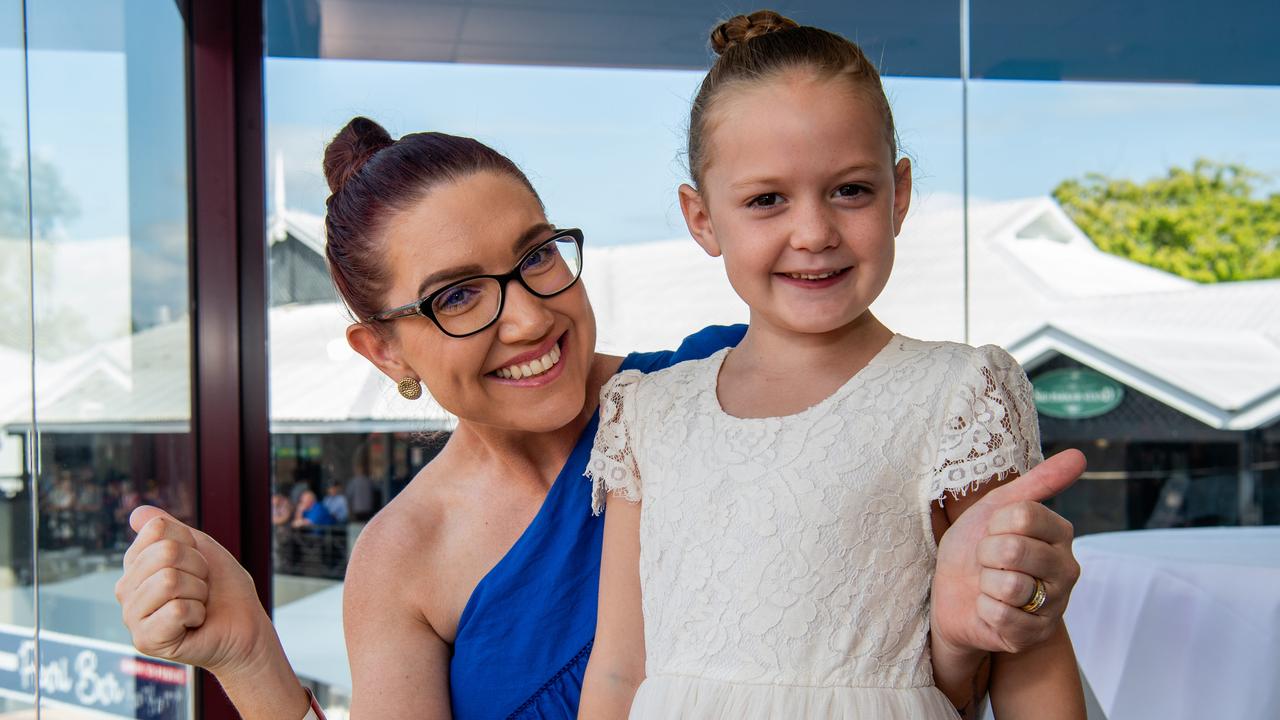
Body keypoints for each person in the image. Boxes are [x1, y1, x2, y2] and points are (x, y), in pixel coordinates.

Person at [114, 108, 1085, 718]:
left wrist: (986, 621)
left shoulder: (720, 384)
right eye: (457, 295)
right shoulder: (400, 561)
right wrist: (245, 653)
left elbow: (910, 671)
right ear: (383, 351)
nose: (533, 314)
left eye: (537, 254)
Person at [578, 12, 1086, 720]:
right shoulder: (648, 414)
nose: (814, 232)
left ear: (899, 193)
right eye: (766, 200)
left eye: (850, 190)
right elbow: (617, 669)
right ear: (701, 220)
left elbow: (1026, 645)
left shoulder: (958, 396)